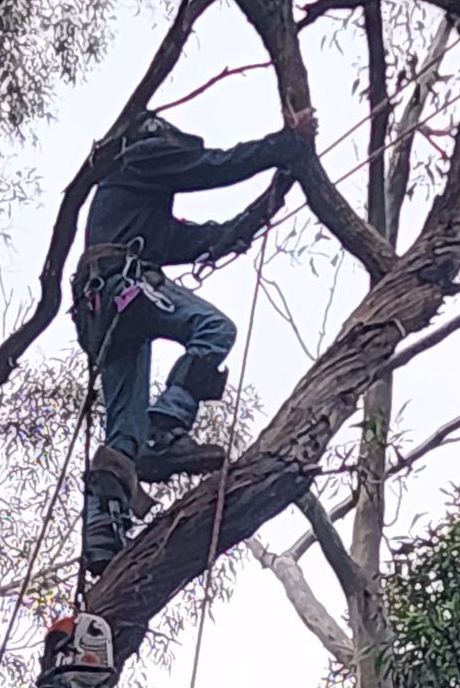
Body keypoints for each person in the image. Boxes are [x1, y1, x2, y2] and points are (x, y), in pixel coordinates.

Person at [72, 105, 316, 571]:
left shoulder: (138, 214)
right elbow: (214, 167)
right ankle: (166, 428)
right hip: (123, 289)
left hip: (102, 312)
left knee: (123, 432)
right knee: (215, 328)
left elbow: (210, 238)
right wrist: (287, 143)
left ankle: (103, 533)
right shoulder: (139, 158)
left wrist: (274, 197)